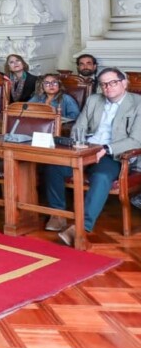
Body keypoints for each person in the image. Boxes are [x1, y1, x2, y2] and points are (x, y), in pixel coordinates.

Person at [45, 68, 141, 247]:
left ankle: (82, 227)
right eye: (104, 84)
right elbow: (78, 126)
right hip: (86, 148)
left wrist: (106, 148)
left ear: (124, 83)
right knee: (54, 166)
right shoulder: (94, 100)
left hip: (114, 154)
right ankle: (57, 215)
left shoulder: (137, 104)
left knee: (101, 176)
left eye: (113, 82)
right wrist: (80, 143)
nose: (108, 87)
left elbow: (136, 140)